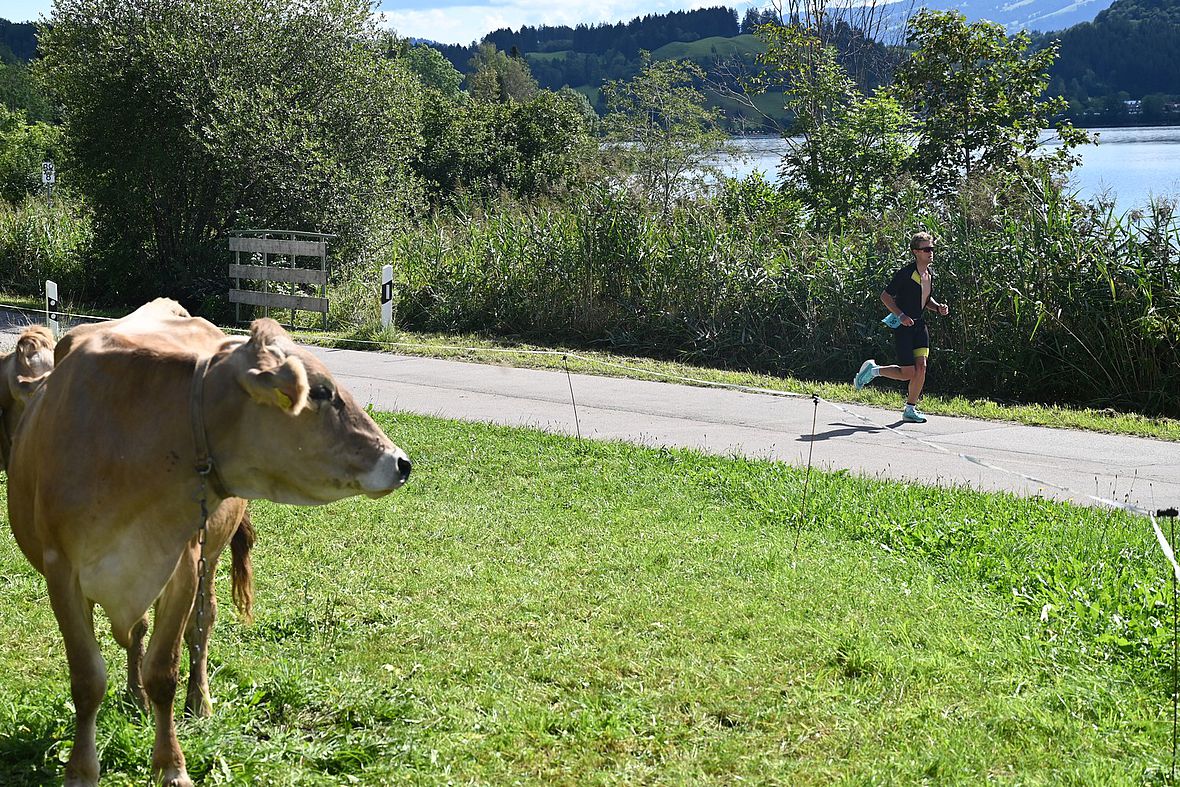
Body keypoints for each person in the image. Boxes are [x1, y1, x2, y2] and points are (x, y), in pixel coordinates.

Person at [853, 232, 950, 423]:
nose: (931, 253)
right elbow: (885, 296)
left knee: (921, 369)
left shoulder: (929, 274)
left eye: (932, 249)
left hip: (919, 325)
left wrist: (937, 307)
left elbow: (924, 298)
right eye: (926, 249)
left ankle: (910, 409)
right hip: (903, 326)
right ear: (916, 252)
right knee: (908, 373)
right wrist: (901, 315)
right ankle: (873, 370)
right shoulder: (905, 274)